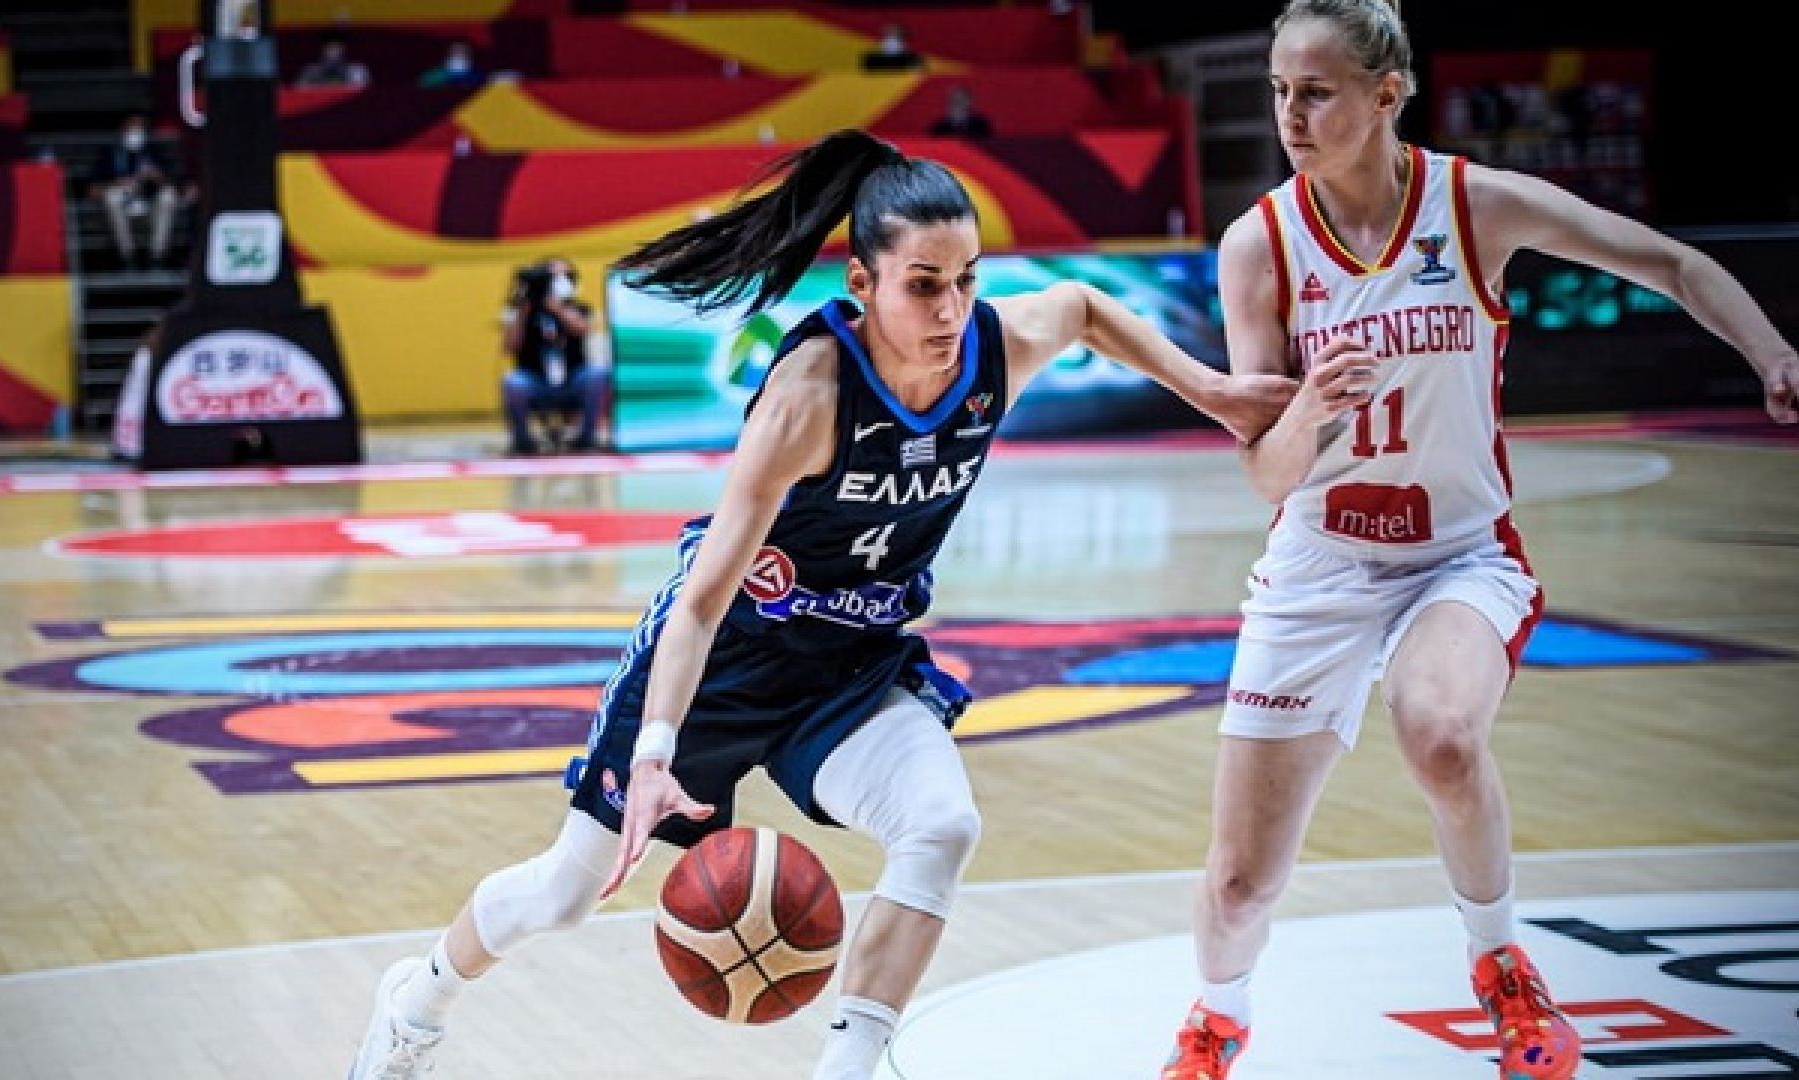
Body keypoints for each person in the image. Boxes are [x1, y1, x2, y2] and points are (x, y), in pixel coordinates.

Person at [348, 127, 1296, 1080]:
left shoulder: (992, 352)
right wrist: (654, 752)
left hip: (847, 667)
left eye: (967, 280)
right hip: (723, 662)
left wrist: (1211, 391)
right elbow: (701, 601)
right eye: (923, 284)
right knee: (566, 893)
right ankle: (416, 1003)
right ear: (862, 284)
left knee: (942, 827)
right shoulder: (808, 396)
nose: (952, 307)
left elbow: (1083, 306)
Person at [1159, 2, 1799, 1079]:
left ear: (1387, 94)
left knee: (1443, 734)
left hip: (1458, 555)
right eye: (1279, 92)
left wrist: (1773, 352)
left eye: (1315, 91)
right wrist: (1309, 409)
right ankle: (1216, 1020)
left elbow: (1669, 263)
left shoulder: (1472, 205)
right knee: (1238, 887)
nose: (1290, 116)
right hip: (1319, 562)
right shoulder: (1259, 246)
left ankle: (1502, 963)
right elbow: (1267, 476)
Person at [499, 259, 609, 454]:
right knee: (512, 382)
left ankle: (586, 438)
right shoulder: (520, 311)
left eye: (565, 276)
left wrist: (556, 308)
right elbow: (510, 347)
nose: (560, 282)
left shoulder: (579, 308)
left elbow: (583, 330)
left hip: (572, 380)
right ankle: (523, 441)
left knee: (598, 374)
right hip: (536, 381)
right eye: (553, 278)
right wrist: (524, 311)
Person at [87, 114, 181, 272]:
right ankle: (127, 257)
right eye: (133, 126)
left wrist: (157, 176)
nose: (137, 131)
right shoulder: (109, 153)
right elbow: (92, 191)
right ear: (123, 129)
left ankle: (156, 257)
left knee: (168, 196)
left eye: (141, 127)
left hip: (150, 208)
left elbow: (174, 184)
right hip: (123, 209)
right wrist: (118, 184)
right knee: (112, 197)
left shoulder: (152, 151)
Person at [296, 33, 370, 89]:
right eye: (330, 48)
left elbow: (364, 94)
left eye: (336, 48)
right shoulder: (310, 71)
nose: (333, 52)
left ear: (343, 49)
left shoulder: (357, 71)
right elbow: (299, 93)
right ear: (323, 50)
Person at [928, 85, 993, 140]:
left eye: (961, 100)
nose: (956, 104)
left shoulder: (981, 125)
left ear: (970, 102)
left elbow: (987, 145)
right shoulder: (938, 127)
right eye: (953, 100)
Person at [418, 39, 483, 89]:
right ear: (448, 54)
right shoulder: (434, 74)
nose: (458, 55)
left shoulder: (477, 75)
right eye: (455, 52)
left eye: (463, 52)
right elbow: (422, 83)